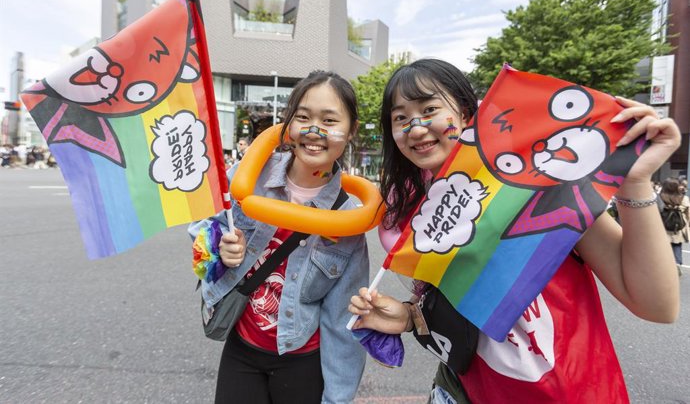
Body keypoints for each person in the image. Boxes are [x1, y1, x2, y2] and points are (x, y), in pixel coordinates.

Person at [348, 58, 680, 403]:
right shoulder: (413, 216)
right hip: (467, 391)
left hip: (576, 391)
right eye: (400, 118)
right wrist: (406, 316)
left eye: (429, 108)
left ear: (465, 114)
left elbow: (657, 306)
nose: (415, 128)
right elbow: (454, 315)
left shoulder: (539, 185)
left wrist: (636, 183)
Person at [189, 71, 368, 404]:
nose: (314, 131)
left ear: (351, 130)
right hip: (241, 349)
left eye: (329, 120)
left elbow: (343, 320)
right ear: (288, 124)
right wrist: (217, 246)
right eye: (303, 117)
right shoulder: (249, 174)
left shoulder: (349, 218)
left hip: (301, 358)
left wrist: (337, 399)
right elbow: (201, 225)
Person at [659, 177, 690, 275]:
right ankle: (677, 263)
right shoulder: (684, 198)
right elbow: (688, 213)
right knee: (677, 245)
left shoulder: (660, 197)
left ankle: (665, 265)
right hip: (678, 226)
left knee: (664, 246)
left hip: (663, 225)